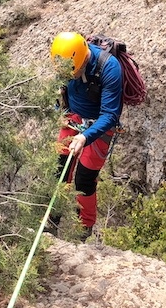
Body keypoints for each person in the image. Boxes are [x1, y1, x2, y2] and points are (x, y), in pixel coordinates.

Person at [47, 31, 123, 241]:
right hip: (71, 117)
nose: (69, 75)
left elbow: (111, 114)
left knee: (84, 179)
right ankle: (52, 220)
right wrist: (58, 114)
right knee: (58, 169)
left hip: (99, 124)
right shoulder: (65, 63)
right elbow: (58, 92)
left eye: (74, 71)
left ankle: (83, 230)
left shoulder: (110, 68)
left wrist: (84, 137)